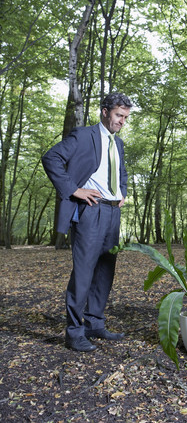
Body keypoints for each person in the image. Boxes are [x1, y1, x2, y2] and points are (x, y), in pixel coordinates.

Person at [42, 92, 132, 352]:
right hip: (89, 211)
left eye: (125, 117)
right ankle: (74, 332)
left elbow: (120, 172)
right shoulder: (83, 136)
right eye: (118, 115)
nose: (122, 121)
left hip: (113, 213)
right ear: (104, 112)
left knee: (105, 270)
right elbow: (51, 158)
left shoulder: (119, 144)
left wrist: (121, 191)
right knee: (83, 273)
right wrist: (74, 190)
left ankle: (94, 323)